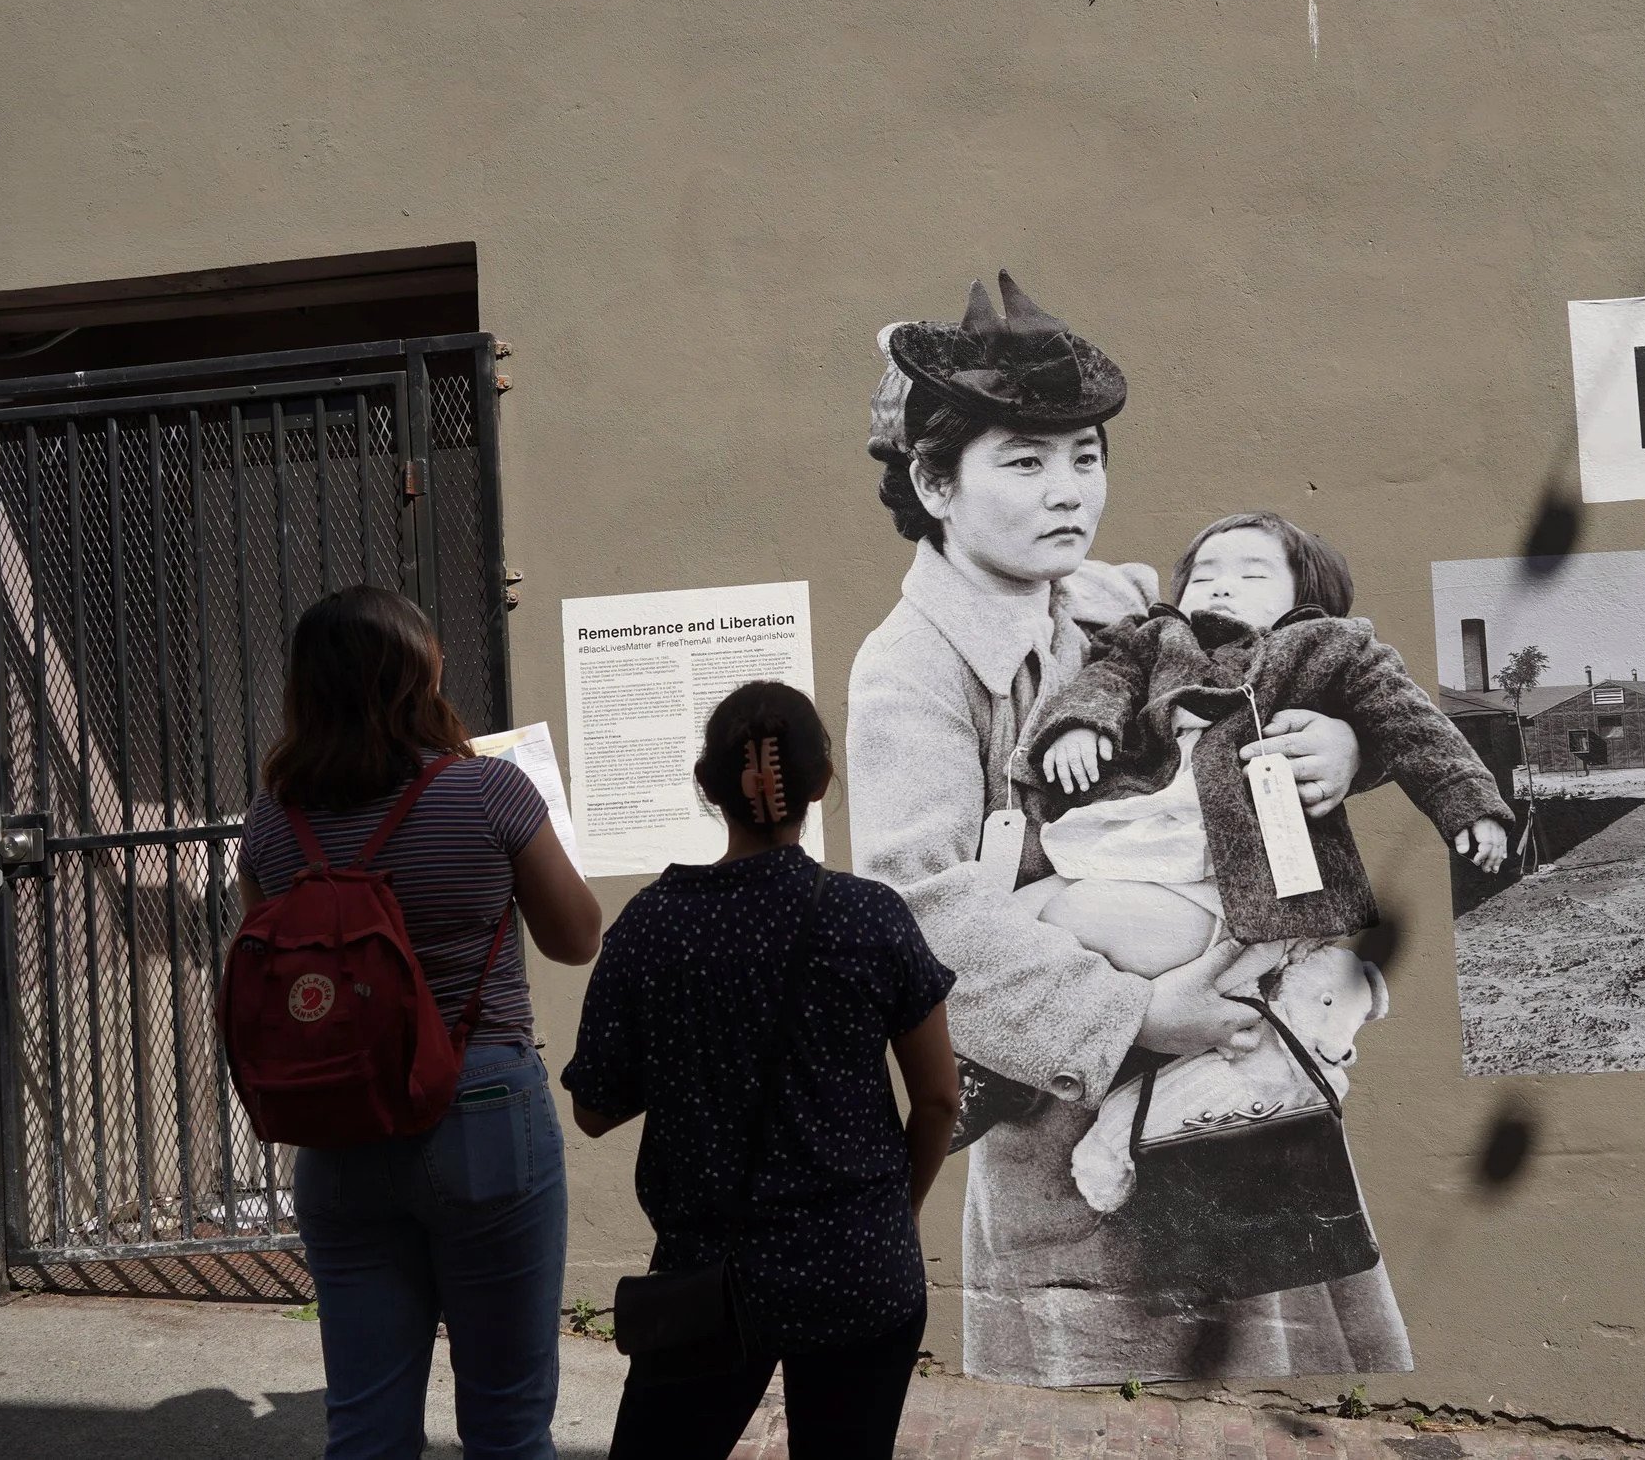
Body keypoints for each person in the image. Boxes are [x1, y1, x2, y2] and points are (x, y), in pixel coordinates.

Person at [844, 271, 1411, 1387]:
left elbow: (1291, 677)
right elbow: (917, 909)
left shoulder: (1114, 616)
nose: (1069, 491)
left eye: (1085, 456)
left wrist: (1349, 752)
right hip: (1074, 1132)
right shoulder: (910, 669)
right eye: (1024, 460)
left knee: (1256, 1405)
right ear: (933, 481)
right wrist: (1143, 1011)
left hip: (1239, 1094)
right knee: (1105, 1414)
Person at [236, 585, 606, 1460]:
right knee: (509, 1421)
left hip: (339, 1126)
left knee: (364, 1423)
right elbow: (577, 937)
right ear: (418, 673)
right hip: (480, 1109)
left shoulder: (272, 824)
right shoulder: (488, 791)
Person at [567, 681, 961, 1460]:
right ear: (819, 785)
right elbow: (941, 1098)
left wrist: (691, 1053)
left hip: (711, 1278)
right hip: (860, 1263)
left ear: (708, 786)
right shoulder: (870, 916)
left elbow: (593, 1108)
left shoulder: (652, 927)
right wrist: (896, 1213)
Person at [1023, 508, 1513, 975]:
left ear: (1307, 597)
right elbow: (1108, 676)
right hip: (1141, 818)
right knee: (1017, 911)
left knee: (1076, 916)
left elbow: (1410, 722)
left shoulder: (1330, 645)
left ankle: (1241, 958)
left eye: (1253, 576)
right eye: (1203, 575)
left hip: (1238, 866)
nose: (1221, 587)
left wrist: (1468, 804)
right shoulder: (1155, 637)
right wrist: (1080, 723)